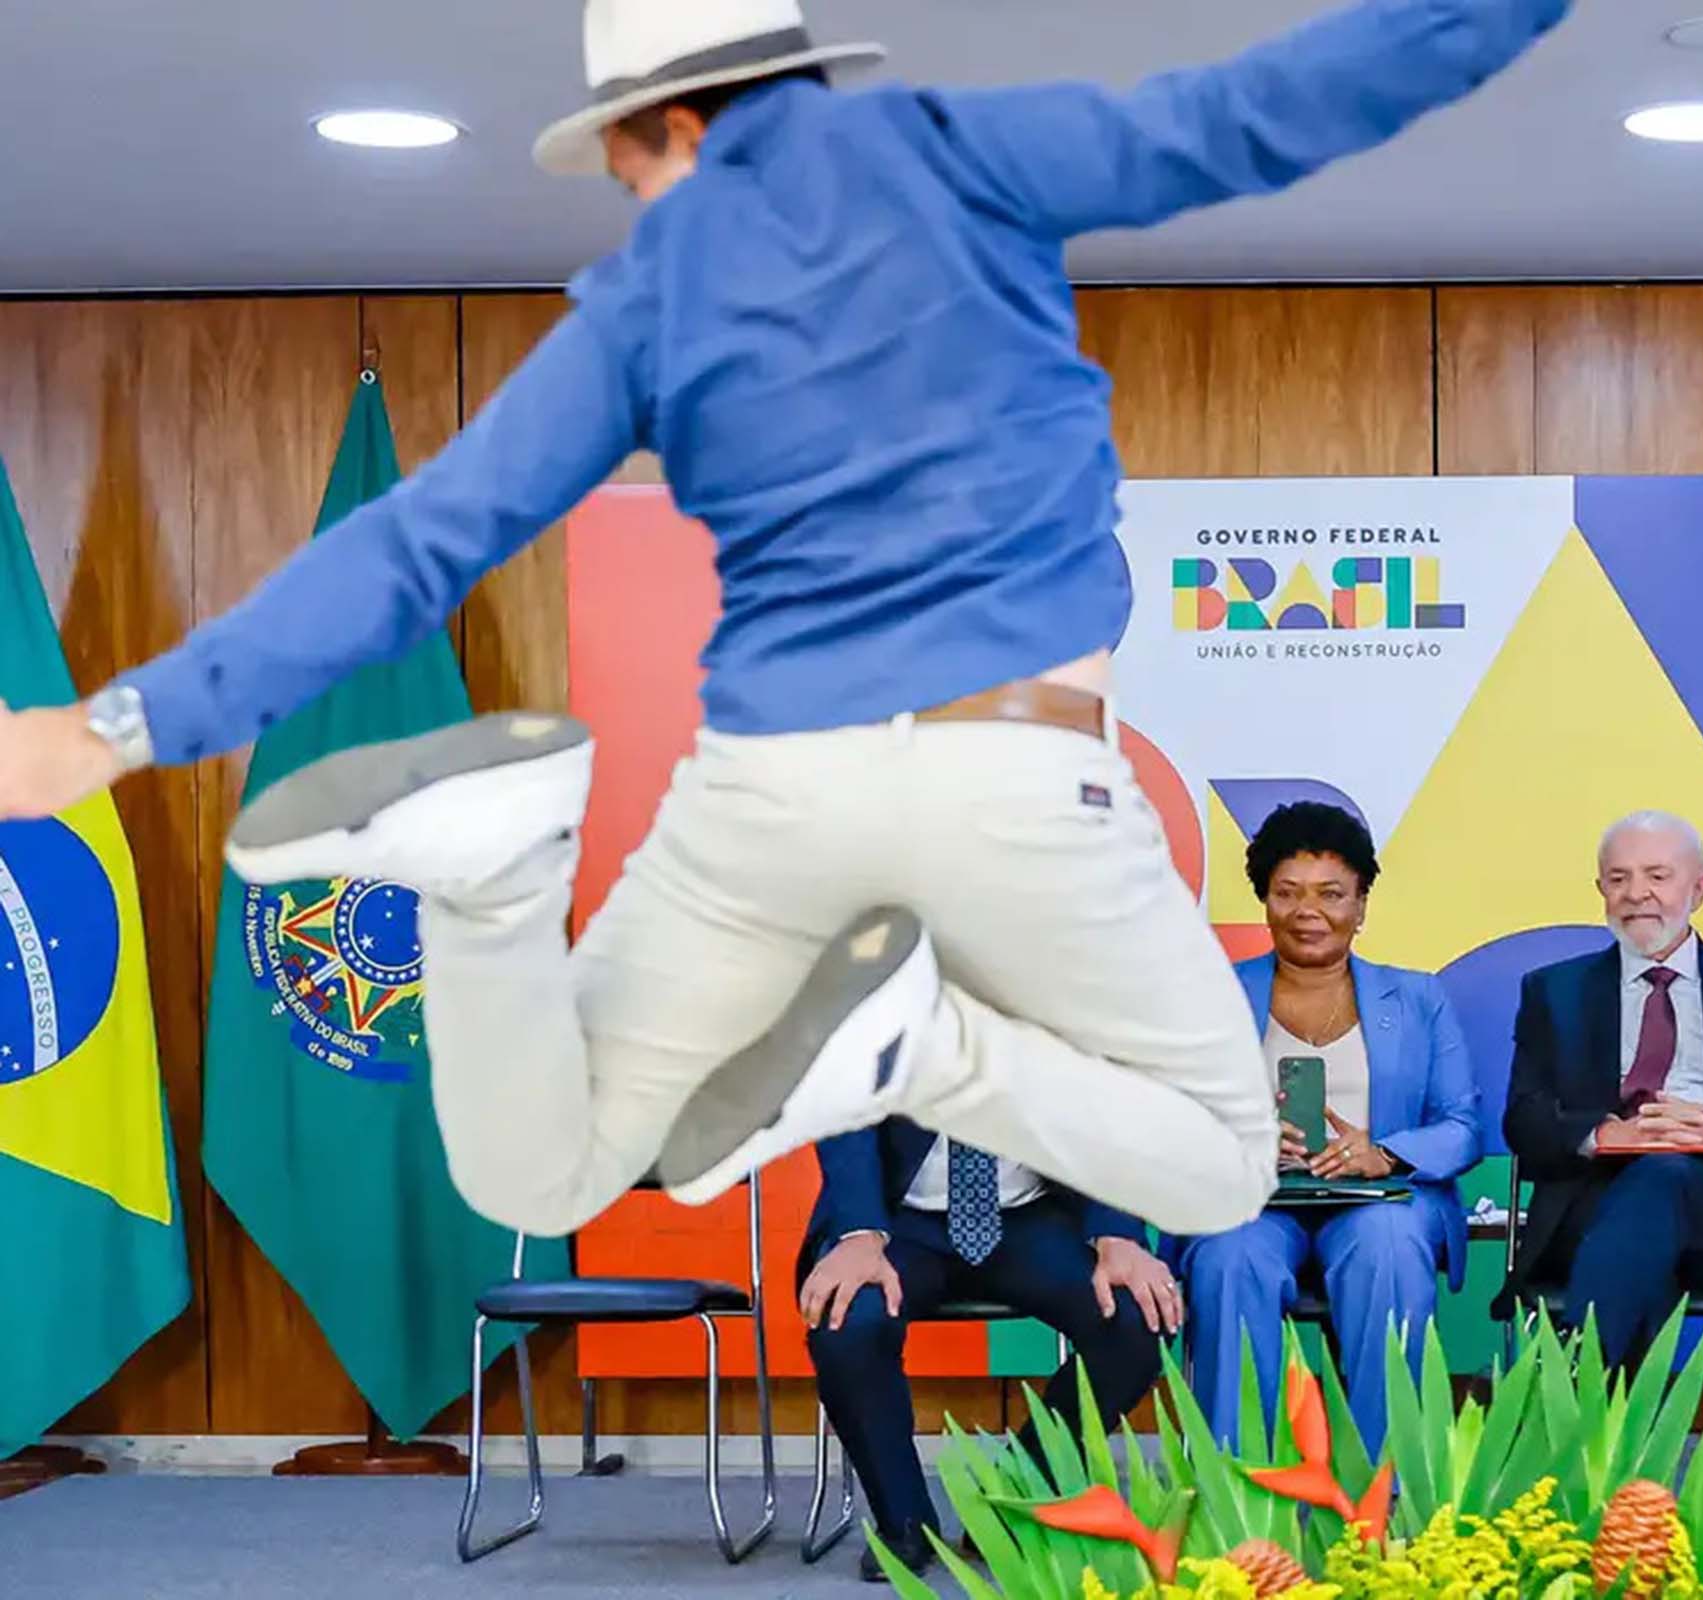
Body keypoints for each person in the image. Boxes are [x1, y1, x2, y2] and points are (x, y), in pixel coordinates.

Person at [0, 0, 1579, 1239]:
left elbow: (427, 535)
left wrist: (109, 727)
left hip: (766, 792)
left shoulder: (645, 294)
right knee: (1228, 1164)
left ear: (671, 122)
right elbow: (1277, 105)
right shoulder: (973, 151)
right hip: (1015, 777)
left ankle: (490, 885)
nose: (638, 199)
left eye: (628, 165)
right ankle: (915, 1052)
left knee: (542, 1174)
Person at [1169, 803, 1478, 1453]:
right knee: (1230, 1255)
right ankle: (1238, 1491)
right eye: (1288, 893)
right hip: (1252, 1201)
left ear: (1362, 905)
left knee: (1387, 1244)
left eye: (1332, 894)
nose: (1309, 910)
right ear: (1265, 902)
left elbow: (1460, 1126)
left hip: (1380, 1199)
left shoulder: (1419, 999)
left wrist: (1385, 1153)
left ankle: (1382, 1486)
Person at [1499, 811, 1703, 1369]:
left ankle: (1577, 1391)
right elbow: (1523, 1121)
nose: (1636, 894)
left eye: (1657, 876)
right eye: (1618, 879)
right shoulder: (1555, 991)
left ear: (1700, 888)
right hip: (1588, 1207)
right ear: (1600, 890)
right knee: (1649, 1193)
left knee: (1664, 1175)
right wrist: (1605, 1134)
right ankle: (1609, 1422)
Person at [801, 1117, 1178, 1580]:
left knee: (1138, 1316)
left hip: (1031, 1215)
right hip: (897, 1220)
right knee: (848, 1321)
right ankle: (903, 1523)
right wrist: (858, 1233)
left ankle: (1013, 1497)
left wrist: (1117, 1234)